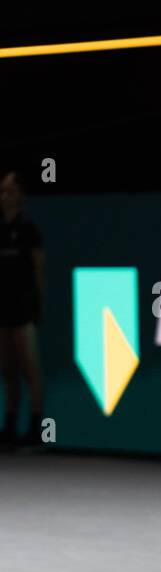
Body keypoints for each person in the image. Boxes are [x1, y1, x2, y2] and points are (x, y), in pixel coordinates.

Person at [0, 171, 45, 447]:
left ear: (22, 196)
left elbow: (39, 269)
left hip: (24, 307)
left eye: (11, 191)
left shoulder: (29, 230)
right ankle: (9, 426)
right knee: (7, 371)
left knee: (30, 369)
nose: (6, 196)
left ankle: (36, 428)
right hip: (1, 308)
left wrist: (37, 304)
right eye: (2, 191)